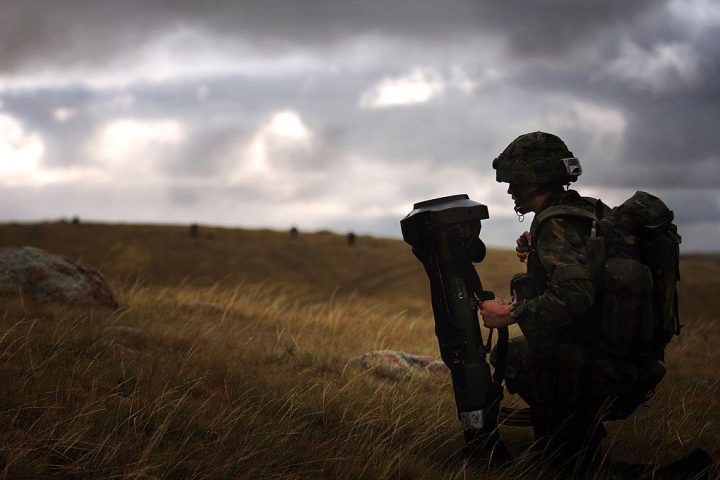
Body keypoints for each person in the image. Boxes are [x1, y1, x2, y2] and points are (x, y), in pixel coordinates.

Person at [478, 131, 634, 468]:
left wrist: (511, 313)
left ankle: (568, 451)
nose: (509, 191)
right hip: (618, 348)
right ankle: (572, 444)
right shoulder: (585, 209)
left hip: (598, 357)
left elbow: (576, 293)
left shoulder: (557, 222)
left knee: (514, 354)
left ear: (537, 179)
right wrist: (537, 245)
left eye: (515, 183)